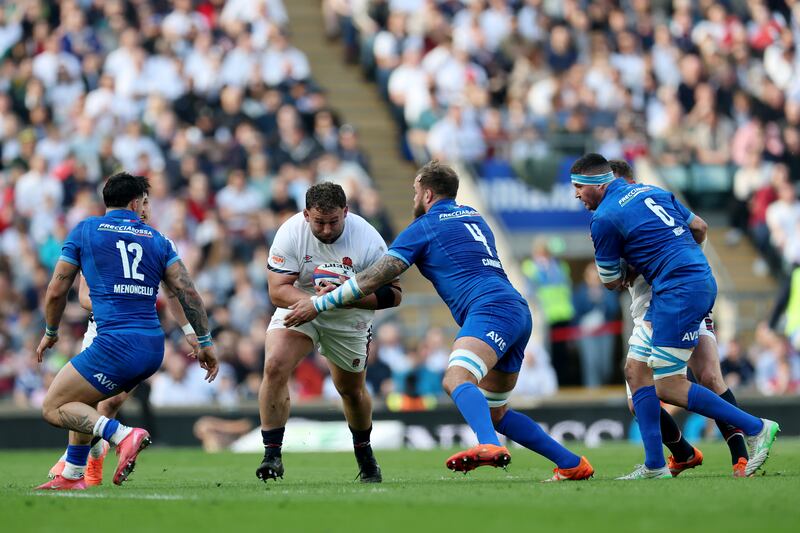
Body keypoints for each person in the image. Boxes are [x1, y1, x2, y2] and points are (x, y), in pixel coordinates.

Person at [286, 161, 594, 482]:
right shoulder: (474, 217)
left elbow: (376, 277)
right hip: (516, 308)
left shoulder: (424, 227)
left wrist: (322, 301)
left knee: (456, 379)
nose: (413, 198)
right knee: (495, 412)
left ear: (428, 193)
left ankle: (488, 445)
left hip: (489, 308)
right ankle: (572, 463)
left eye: (415, 191)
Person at [571, 153, 778, 479]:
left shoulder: (606, 218)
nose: (576, 195)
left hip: (674, 294)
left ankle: (754, 428)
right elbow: (699, 226)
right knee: (638, 372)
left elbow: (611, 281)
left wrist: (639, 261)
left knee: (671, 385)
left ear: (601, 183)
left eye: (579, 186)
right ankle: (661, 462)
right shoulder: (652, 193)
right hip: (685, 285)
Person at [35, 172, 218, 490]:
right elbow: (187, 292)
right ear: (136, 203)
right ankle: (76, 472)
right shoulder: (158, 240)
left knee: (54, 406)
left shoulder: (87, 231)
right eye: (146, 202)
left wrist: (51, 330)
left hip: (113, 342)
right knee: (89, 401)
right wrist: (203, 339)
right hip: (151, 346)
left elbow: (56, 290)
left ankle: (122, 436)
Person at [609, 159, 750, 478]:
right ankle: (685, 453)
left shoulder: (625, 214)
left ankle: (744, 449)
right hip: (669, 300)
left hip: (666, 303)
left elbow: (617, 277)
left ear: (625, 182)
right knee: (659, 392)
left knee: (697, 378)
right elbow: (697, 228)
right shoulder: (651, 201)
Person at [257, 182, 402, 483]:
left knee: (350, 390)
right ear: (306, 214)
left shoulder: (368, 239)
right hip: (301, 302)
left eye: (333, 222)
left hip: (348, 315)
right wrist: (317, 302)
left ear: (346, 212)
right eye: (318, 222)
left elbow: (394, 294)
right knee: (274, 366)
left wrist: (336, 298)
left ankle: (365, 454)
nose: (325, 229)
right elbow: (276, 290)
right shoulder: (290, 232)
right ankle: (272, 455)